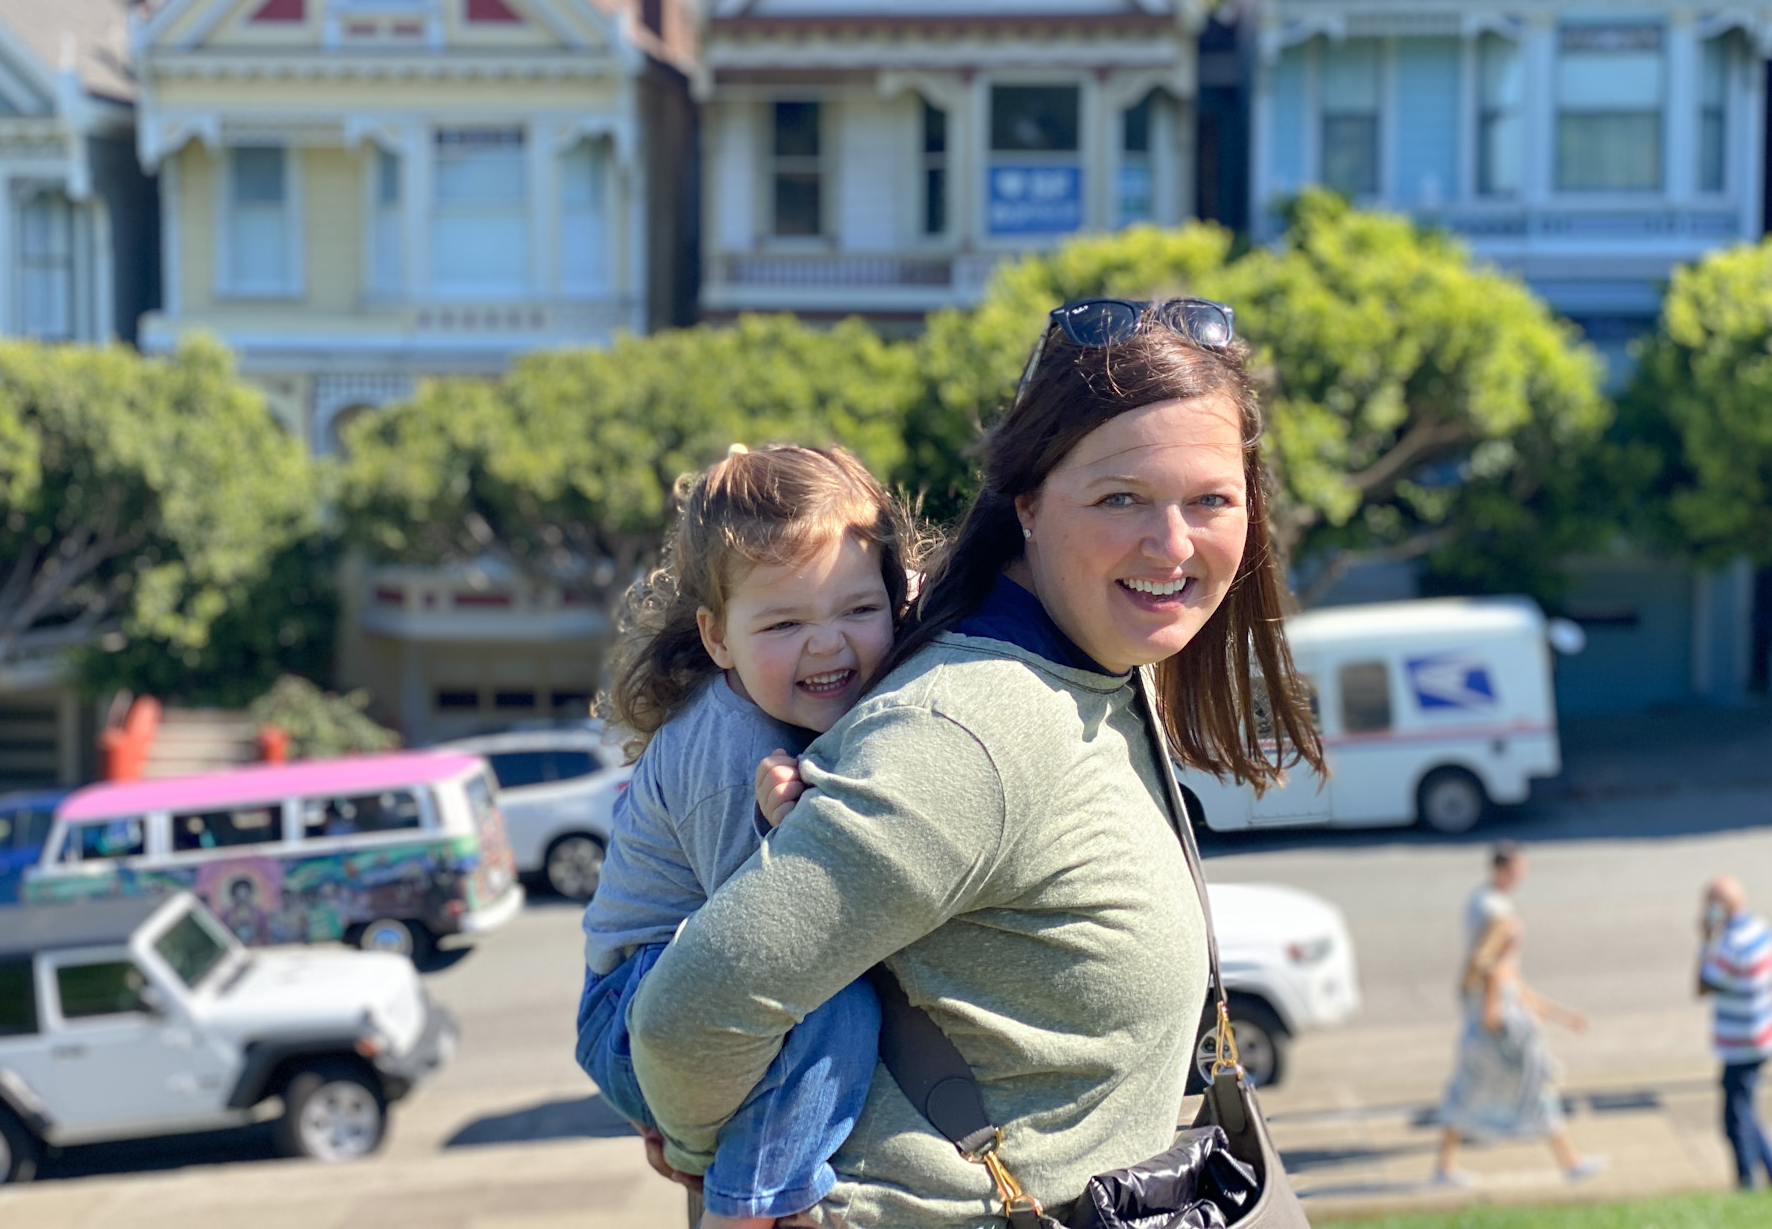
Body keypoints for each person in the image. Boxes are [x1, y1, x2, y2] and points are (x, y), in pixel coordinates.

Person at [624, 297, 1325, 1228]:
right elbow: (688, 1019)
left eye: (1211, 500)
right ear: (1027, 502)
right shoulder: (972, 732)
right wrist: (725, 1159)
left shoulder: (1103, 673)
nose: (1172, 544)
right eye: (1121, 498)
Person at [574, 443, 916, 1229]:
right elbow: (762, 957)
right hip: (635, 1010)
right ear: (718, 638)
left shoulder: (778, 707)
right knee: (840, 1010)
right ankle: (754, 1206)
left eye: (859, 610)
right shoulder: (732, 754)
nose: (827, 644)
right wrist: (784, 831)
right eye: (786, 622)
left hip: (653, 997)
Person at [1433, 913, 1601, 1187]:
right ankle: (1571, 1163)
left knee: (1466, 1101)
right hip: (1493, 1050)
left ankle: (1445, 1167)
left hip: (1487, 1047)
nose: (1520, 941)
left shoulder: (1504, 967)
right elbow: (1492, 1018)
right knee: (1528, 1097)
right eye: (1515, 936)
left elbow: (1530, 998)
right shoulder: (1493, 971)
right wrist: (1521, 1022)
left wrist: (1567, 1018)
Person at [1698, 875, 1772, 1191]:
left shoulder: (1730, 943)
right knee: (1746, 1112)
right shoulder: (1760, 929)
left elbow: (1702, 984)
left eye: (1708, 903)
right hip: (1765, 1034)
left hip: (1741, 1042)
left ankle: (1748, 1183)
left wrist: (1705, 939)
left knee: (1735, 1122)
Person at [1465, 840, 1526, 948]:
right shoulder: (1492, 907)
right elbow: (1488, 956)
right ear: (1500, 869)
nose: (1520, 875)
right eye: (1516, 870)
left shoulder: (1485, 895)